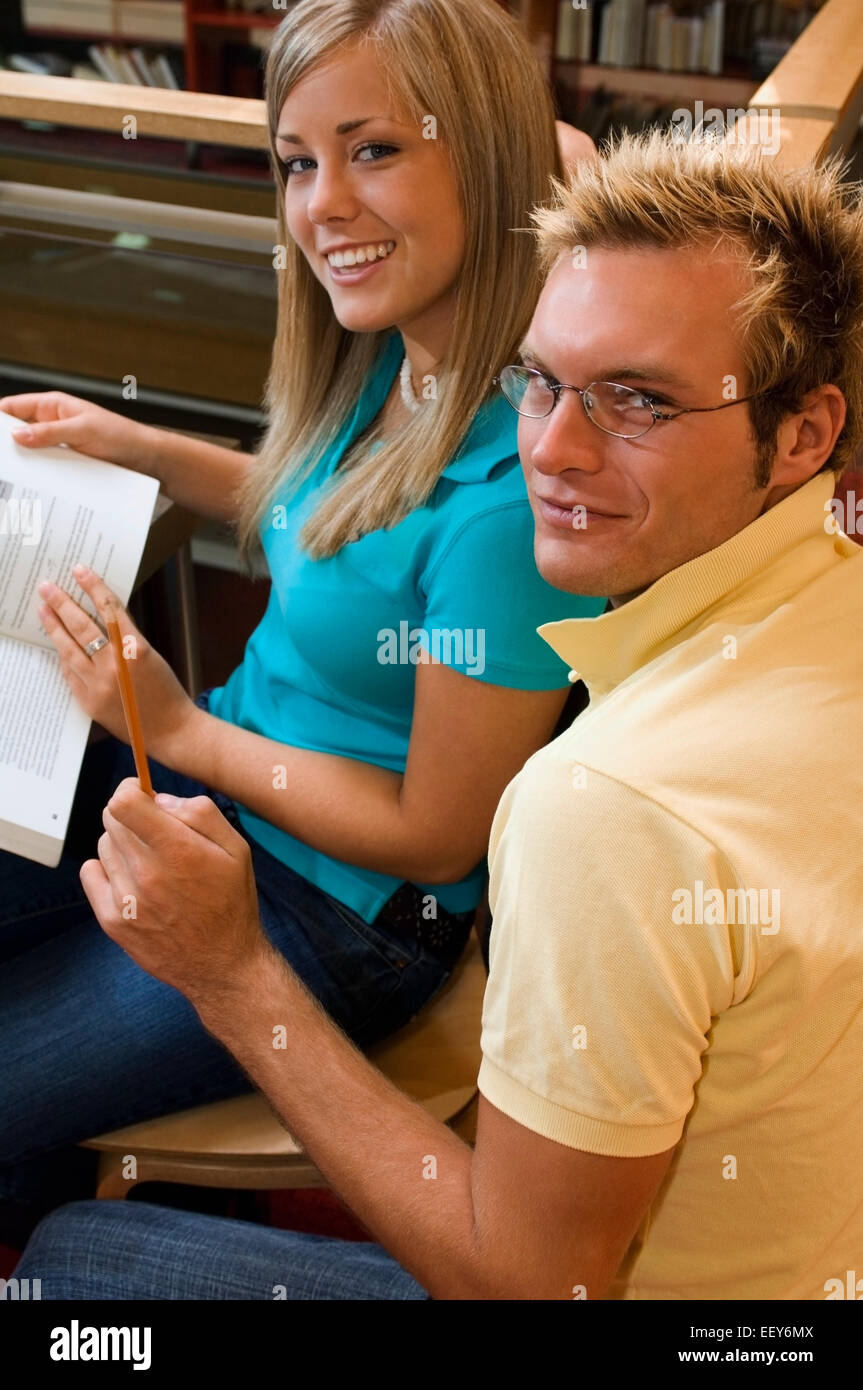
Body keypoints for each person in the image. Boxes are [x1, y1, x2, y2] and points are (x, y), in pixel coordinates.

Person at [14, 125, 863, 1300]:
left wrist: (232, 973)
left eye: (637, 400)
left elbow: (525, 1286)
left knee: (63, 1279)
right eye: (543, 382)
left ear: (803, 434)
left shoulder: (610, 809)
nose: (550, 453)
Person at [0, 0, 603, 1245]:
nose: (321, 202)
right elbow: (315, 522)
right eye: (296, 161)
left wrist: (175, 726)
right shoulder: (397, 353)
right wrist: (134, 445)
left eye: (373, 149)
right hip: (210, 784)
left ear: (484, 158)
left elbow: (435, 839)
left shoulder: (513, 507)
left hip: (336, 908)